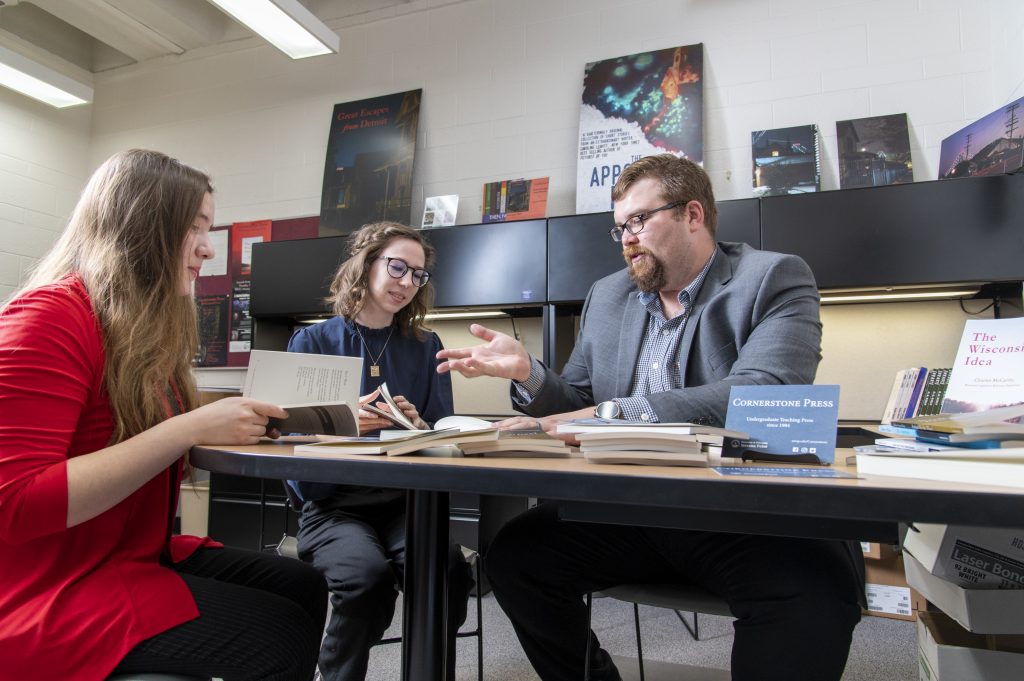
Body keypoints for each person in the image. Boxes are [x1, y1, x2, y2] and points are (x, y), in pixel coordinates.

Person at [437, 154, 865, 681]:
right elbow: (575, 402)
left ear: (692, 214)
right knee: (515, 558)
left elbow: (767, 392)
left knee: (815, 592)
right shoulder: (609, 294)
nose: (626, 238)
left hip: (740, 513)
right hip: (629, 509)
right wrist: (529, 374)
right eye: (619, 227)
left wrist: (614, 413)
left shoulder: (772, 276)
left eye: (639, 220)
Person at [0, 149, 327, 681]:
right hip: (47, 585)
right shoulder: (48, 318)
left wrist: (307, 414)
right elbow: (14, 502)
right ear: (140, 223)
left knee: (303, 584)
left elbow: (148, 420)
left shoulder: (139, 330)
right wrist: (190, 428)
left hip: (119, 553)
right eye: (194, 227)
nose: (206, 247)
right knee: (278, 632)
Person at [286, 221, 473, 681]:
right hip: (331, 505)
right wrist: (344, 424)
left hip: (407, 504)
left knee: (446, 575)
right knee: (365, 580)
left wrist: (416, 425)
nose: (408, 283)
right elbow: (290, 447)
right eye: (398, 268)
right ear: (366, 265)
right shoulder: (311, 342)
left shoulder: (427, 345)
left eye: (418, 274)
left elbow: (440, 437)